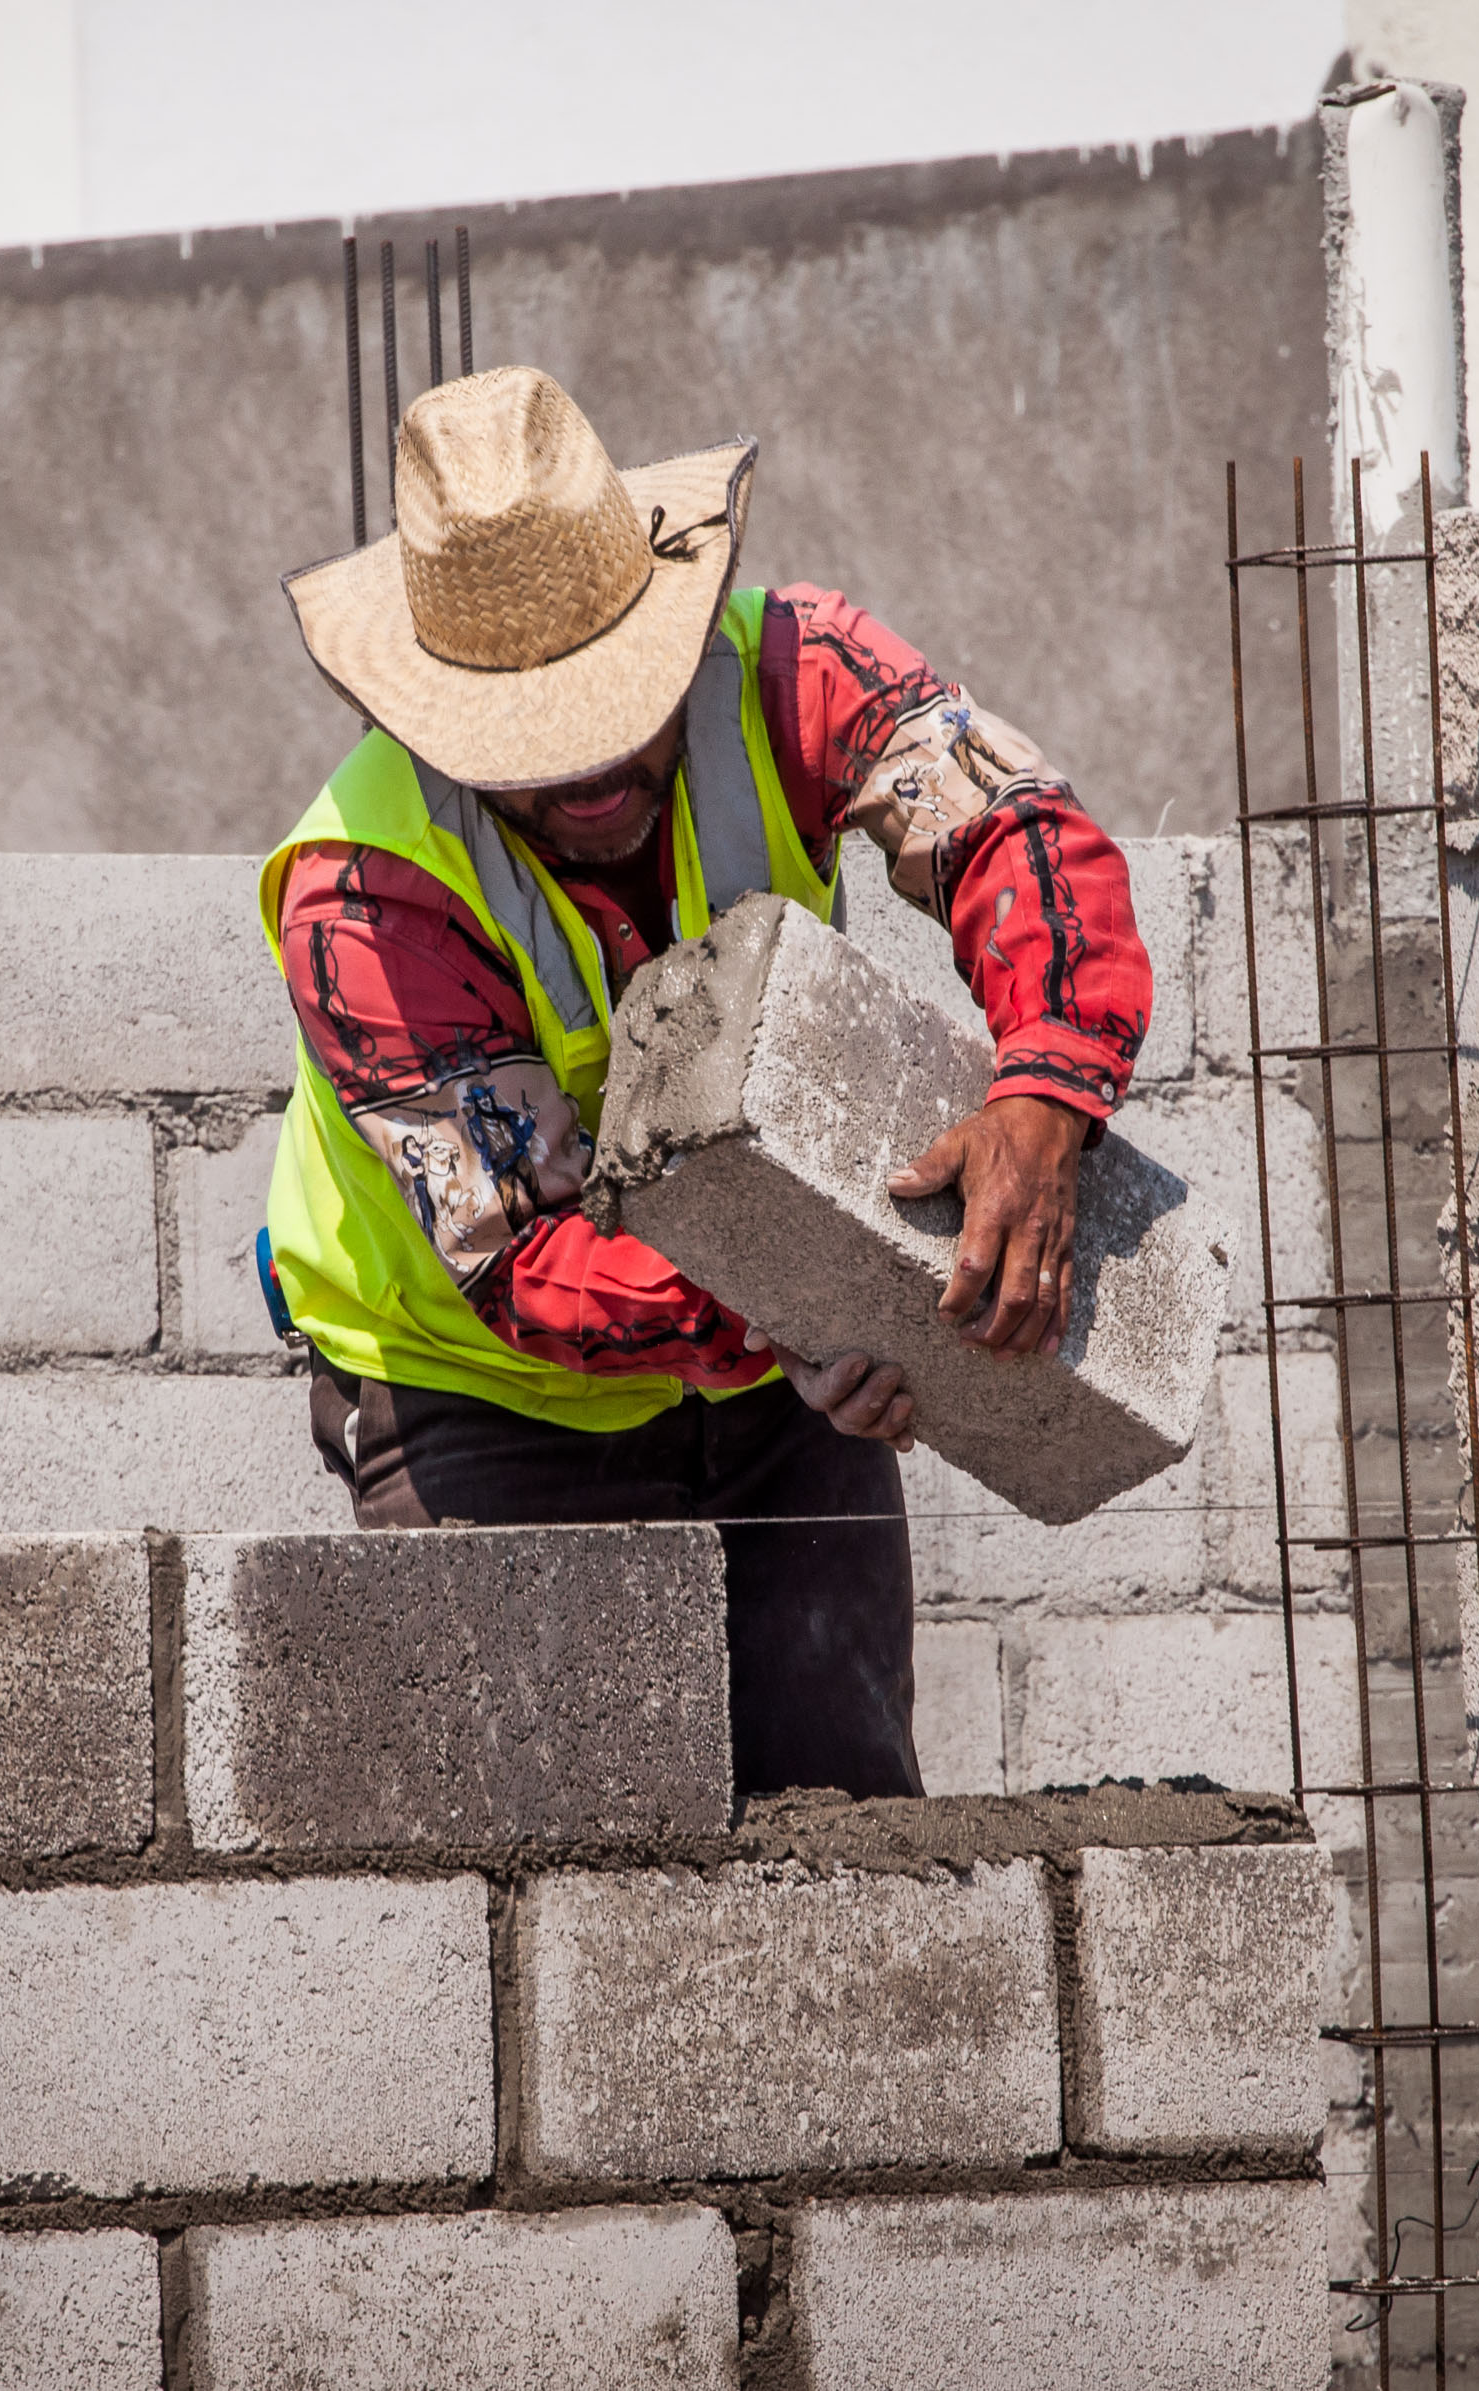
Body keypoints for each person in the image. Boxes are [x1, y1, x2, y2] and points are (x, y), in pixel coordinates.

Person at [258, 366, 1150, 1798]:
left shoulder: (798, 670)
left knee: (844, 1828)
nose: (593, 767)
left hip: (781, 1378)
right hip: (477, 1396)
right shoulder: (363, 891)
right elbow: (522, 1264)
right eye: (530, 749)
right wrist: (801, 1308)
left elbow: (1017, 836)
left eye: (616, 699)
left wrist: (1047, 1093)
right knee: (535, 1873)